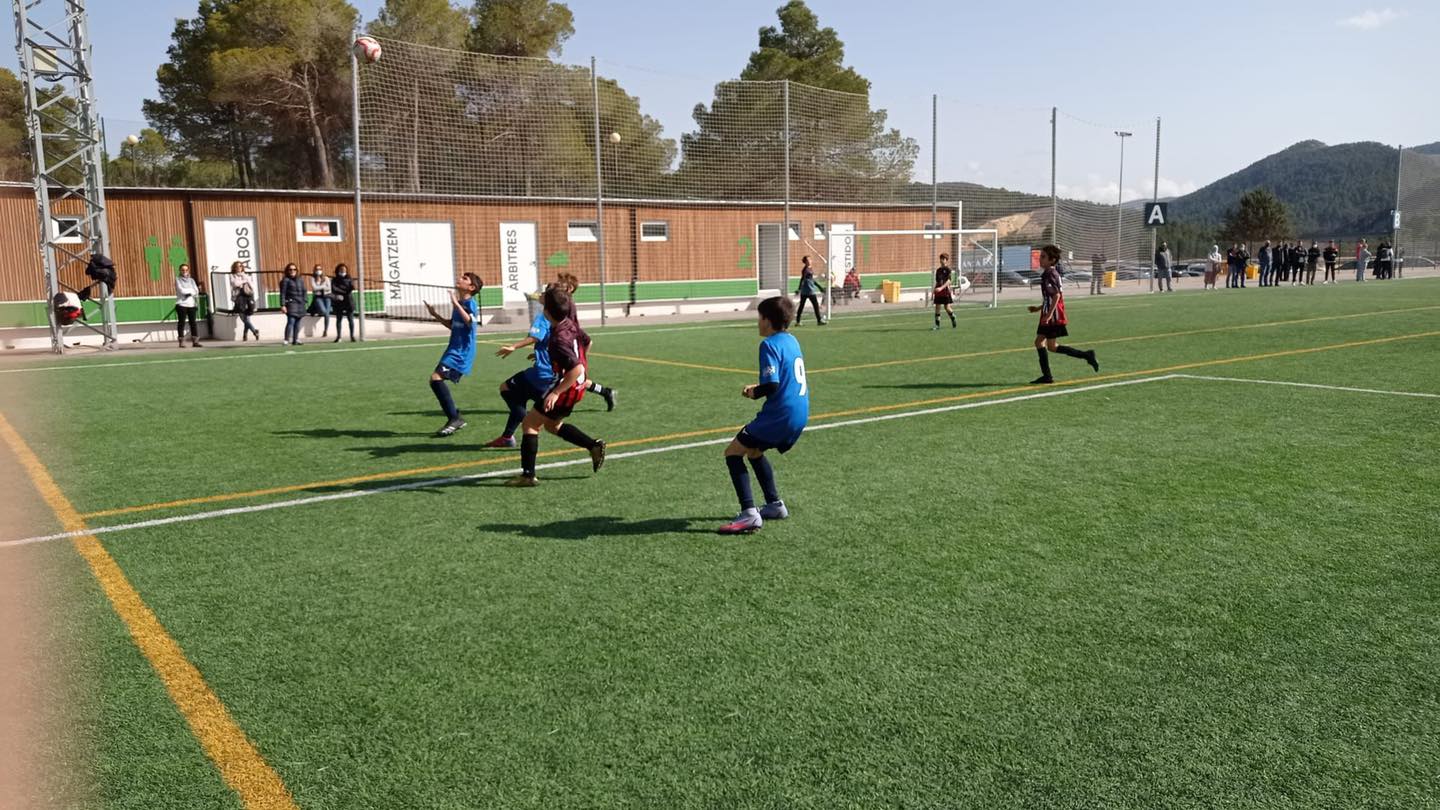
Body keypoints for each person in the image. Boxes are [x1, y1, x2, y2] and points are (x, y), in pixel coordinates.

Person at [716, 295, 809, 535]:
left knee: (733, 452)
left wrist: (753, 392)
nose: (757, 322)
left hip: (780, 415)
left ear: (768, 320)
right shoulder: (792, 340)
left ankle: (749, 514)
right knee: (754, 451)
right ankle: (775, 505)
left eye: (759, 317)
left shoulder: (768, 345)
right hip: (799, 413)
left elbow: (772, 385)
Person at [505, 286, 607, 487]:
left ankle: (527, 476)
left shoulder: (558, 338)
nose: (540, 296)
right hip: (575, 387)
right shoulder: (569, 324)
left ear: (547, 310)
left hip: (566, 387)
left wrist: (556, 392)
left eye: (543, 296)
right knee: (552, 425)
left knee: (530, 424)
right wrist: (559, 359)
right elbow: (587, 343)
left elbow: (575, 368)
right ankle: (593, 446)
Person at [1029, 244, 1099, 384]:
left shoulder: (1050, 274)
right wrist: (1038, 308)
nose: (1040, 259)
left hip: (1053, 317)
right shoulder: (1050, 273)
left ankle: (1085, 356)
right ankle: (1048, 375)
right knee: (1045, 344)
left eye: (1043, 257)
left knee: (1047, 345)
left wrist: (1048, 315)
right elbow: (1051, 297)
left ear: (1052, 260)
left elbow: (1056, 296)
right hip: (1049, 314)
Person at [425, 273, 482, 437]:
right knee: (434, 379)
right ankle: (454, 417)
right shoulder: (461, 303)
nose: (460, 278)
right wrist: (435, 315)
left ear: (471, 288)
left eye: (465, 279)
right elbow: (453, 326)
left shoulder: (471, 304)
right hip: (453, 350)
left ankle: (455, 418)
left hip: (462, 353)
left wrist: (456, 303)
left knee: (436, 378)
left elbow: (470, 322)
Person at [553, 272, 618, 410]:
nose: (557, 284)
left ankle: (551, 401)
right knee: (575, 379)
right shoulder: (564, 301)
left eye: (561, 283)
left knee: (573, 378)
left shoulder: (566, 303)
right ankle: (606, 392)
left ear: (569, 288)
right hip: (571, 341)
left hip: (571, 340)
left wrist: (580, 358)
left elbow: (583, 337)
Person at [228, 261, 260, 341]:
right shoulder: (232, 275)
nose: (239, 268)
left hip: (247, 297)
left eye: (240, 266)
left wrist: (245, 279)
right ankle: (254, 330)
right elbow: (235, 284)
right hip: (238, 297)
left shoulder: (246, 275)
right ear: (234, 268)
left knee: (247, 316)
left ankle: (245, 335)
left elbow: (252, 286)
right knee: (242, 316)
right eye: (237, 266)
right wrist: (244, 281)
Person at [174, 263, 202, 348]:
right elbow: (181, 290)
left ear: (188, 270)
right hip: (181, 304)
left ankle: (195, 341)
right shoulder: (177, 279)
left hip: (191, 304)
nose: (184, 271)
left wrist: (190, 292)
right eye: (183, 270)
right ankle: (181, 341)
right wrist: (190, 291)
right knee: (181, 323)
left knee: (193, 323)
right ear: (180, 270)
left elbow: (196, 290)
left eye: (186, 270)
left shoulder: (192, 280)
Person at [280, 263, 306, 346]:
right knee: (291, 321)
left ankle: (295, 339)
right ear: (287, 271)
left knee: (298, 322)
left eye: (294, 269)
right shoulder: (285, 280)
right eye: (290, 269)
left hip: (300, 303)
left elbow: (304, 290)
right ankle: (286, 340)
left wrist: (305, 300)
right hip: (291, 303)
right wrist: (283, 305)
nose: (292, 271)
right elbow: (282, 293)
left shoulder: (300, 279)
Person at [793, 256, 824, 326]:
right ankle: (819, 320)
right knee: (814, 305)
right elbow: (802, 279)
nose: (810, 261)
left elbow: (812, 280)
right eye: (808, 260)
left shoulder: (810, 269)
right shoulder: (806, 270)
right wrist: (799, 289)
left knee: (803, 305)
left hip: (808, 290)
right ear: (805, 262)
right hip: (808, 291)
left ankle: (798, 321)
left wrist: (819, 287)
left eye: (810, 259)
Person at [331, 263, 357, 342]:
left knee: (350, 319)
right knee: (339, 319)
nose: (343, 271)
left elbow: (352, 287)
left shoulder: (349, 278)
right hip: (339, 301)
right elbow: (334, 289)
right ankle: (339, 336)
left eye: (344, 270)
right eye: (341, 270)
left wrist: (346, 290)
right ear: (338, 270)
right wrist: (344, 291)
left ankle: (352, 336)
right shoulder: (334, 279)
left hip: (348, 301)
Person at [932, 253, 957, 329]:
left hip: (945, 291)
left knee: (947, 308)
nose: (941, 260)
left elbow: (949, 281)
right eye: (941, 258)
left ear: (946, 260)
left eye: (943, 259)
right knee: (937, 307)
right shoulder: (938, 270)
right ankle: (937, 325)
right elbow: (937, 282)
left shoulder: (948, 270)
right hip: (938, 291)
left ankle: (953, 317)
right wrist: (934, 290)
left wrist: (941, 288)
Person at [308, 264, 333, 337]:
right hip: (318, 297)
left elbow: (329, 288)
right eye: (317, 269)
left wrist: (320, 287)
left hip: (327, 296)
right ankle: (318, 310)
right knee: (324, 311)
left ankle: (325, 330)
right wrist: (324, 287)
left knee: (327, 314)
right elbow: (314, 288)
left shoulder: (326, 278)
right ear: (314, 270)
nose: (318, 271)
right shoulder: (313, 279)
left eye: (320, 269)